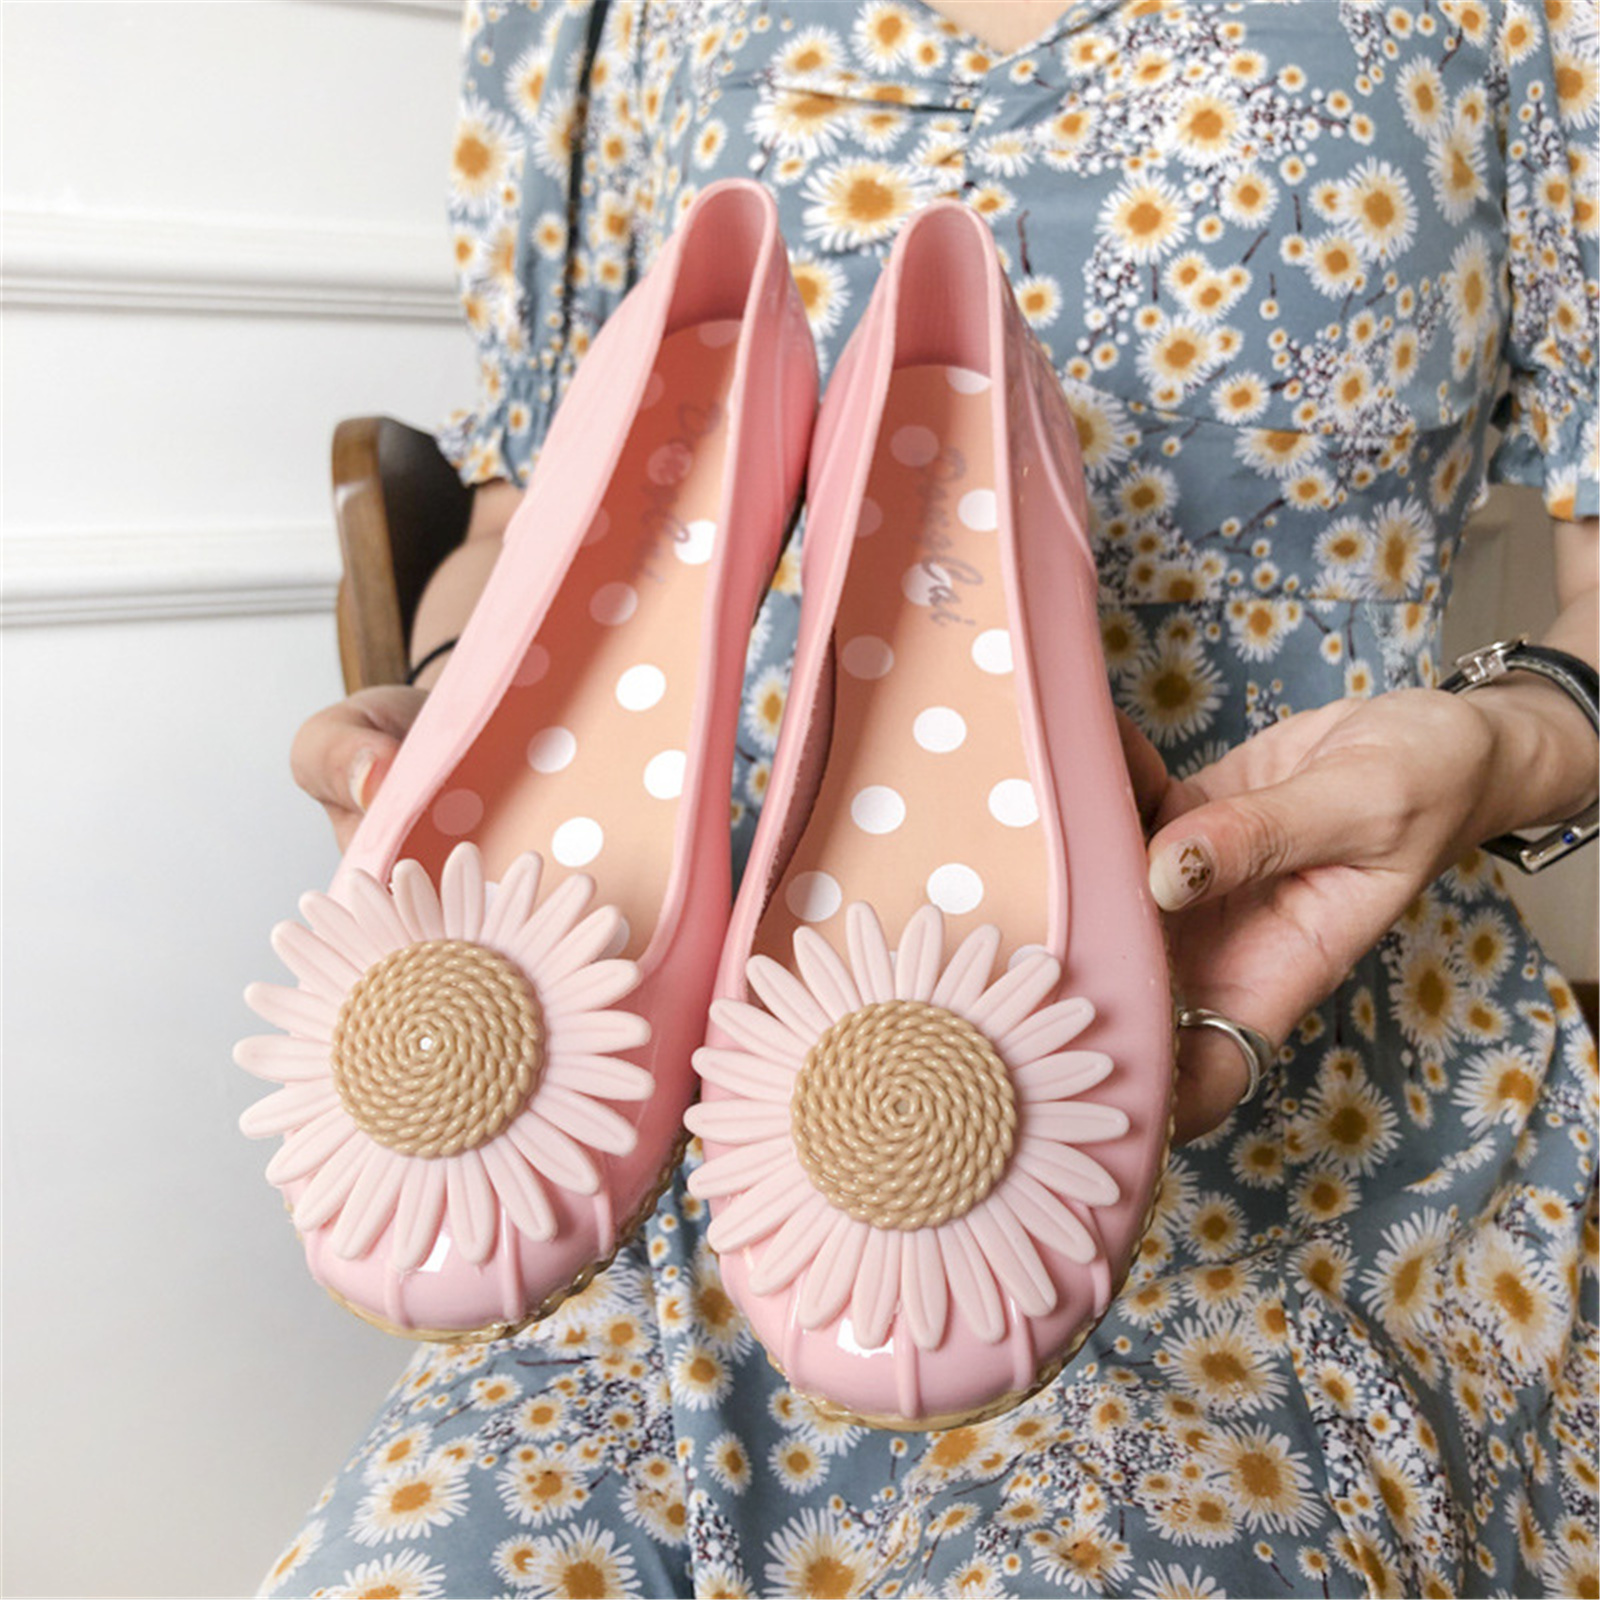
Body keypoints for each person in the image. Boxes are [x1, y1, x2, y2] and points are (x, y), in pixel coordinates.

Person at [269, 3, 1598, 1595]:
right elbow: (515, 526)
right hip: (681, 1066)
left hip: (1329, 1046)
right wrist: (456, 696)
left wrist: (1510, 744)